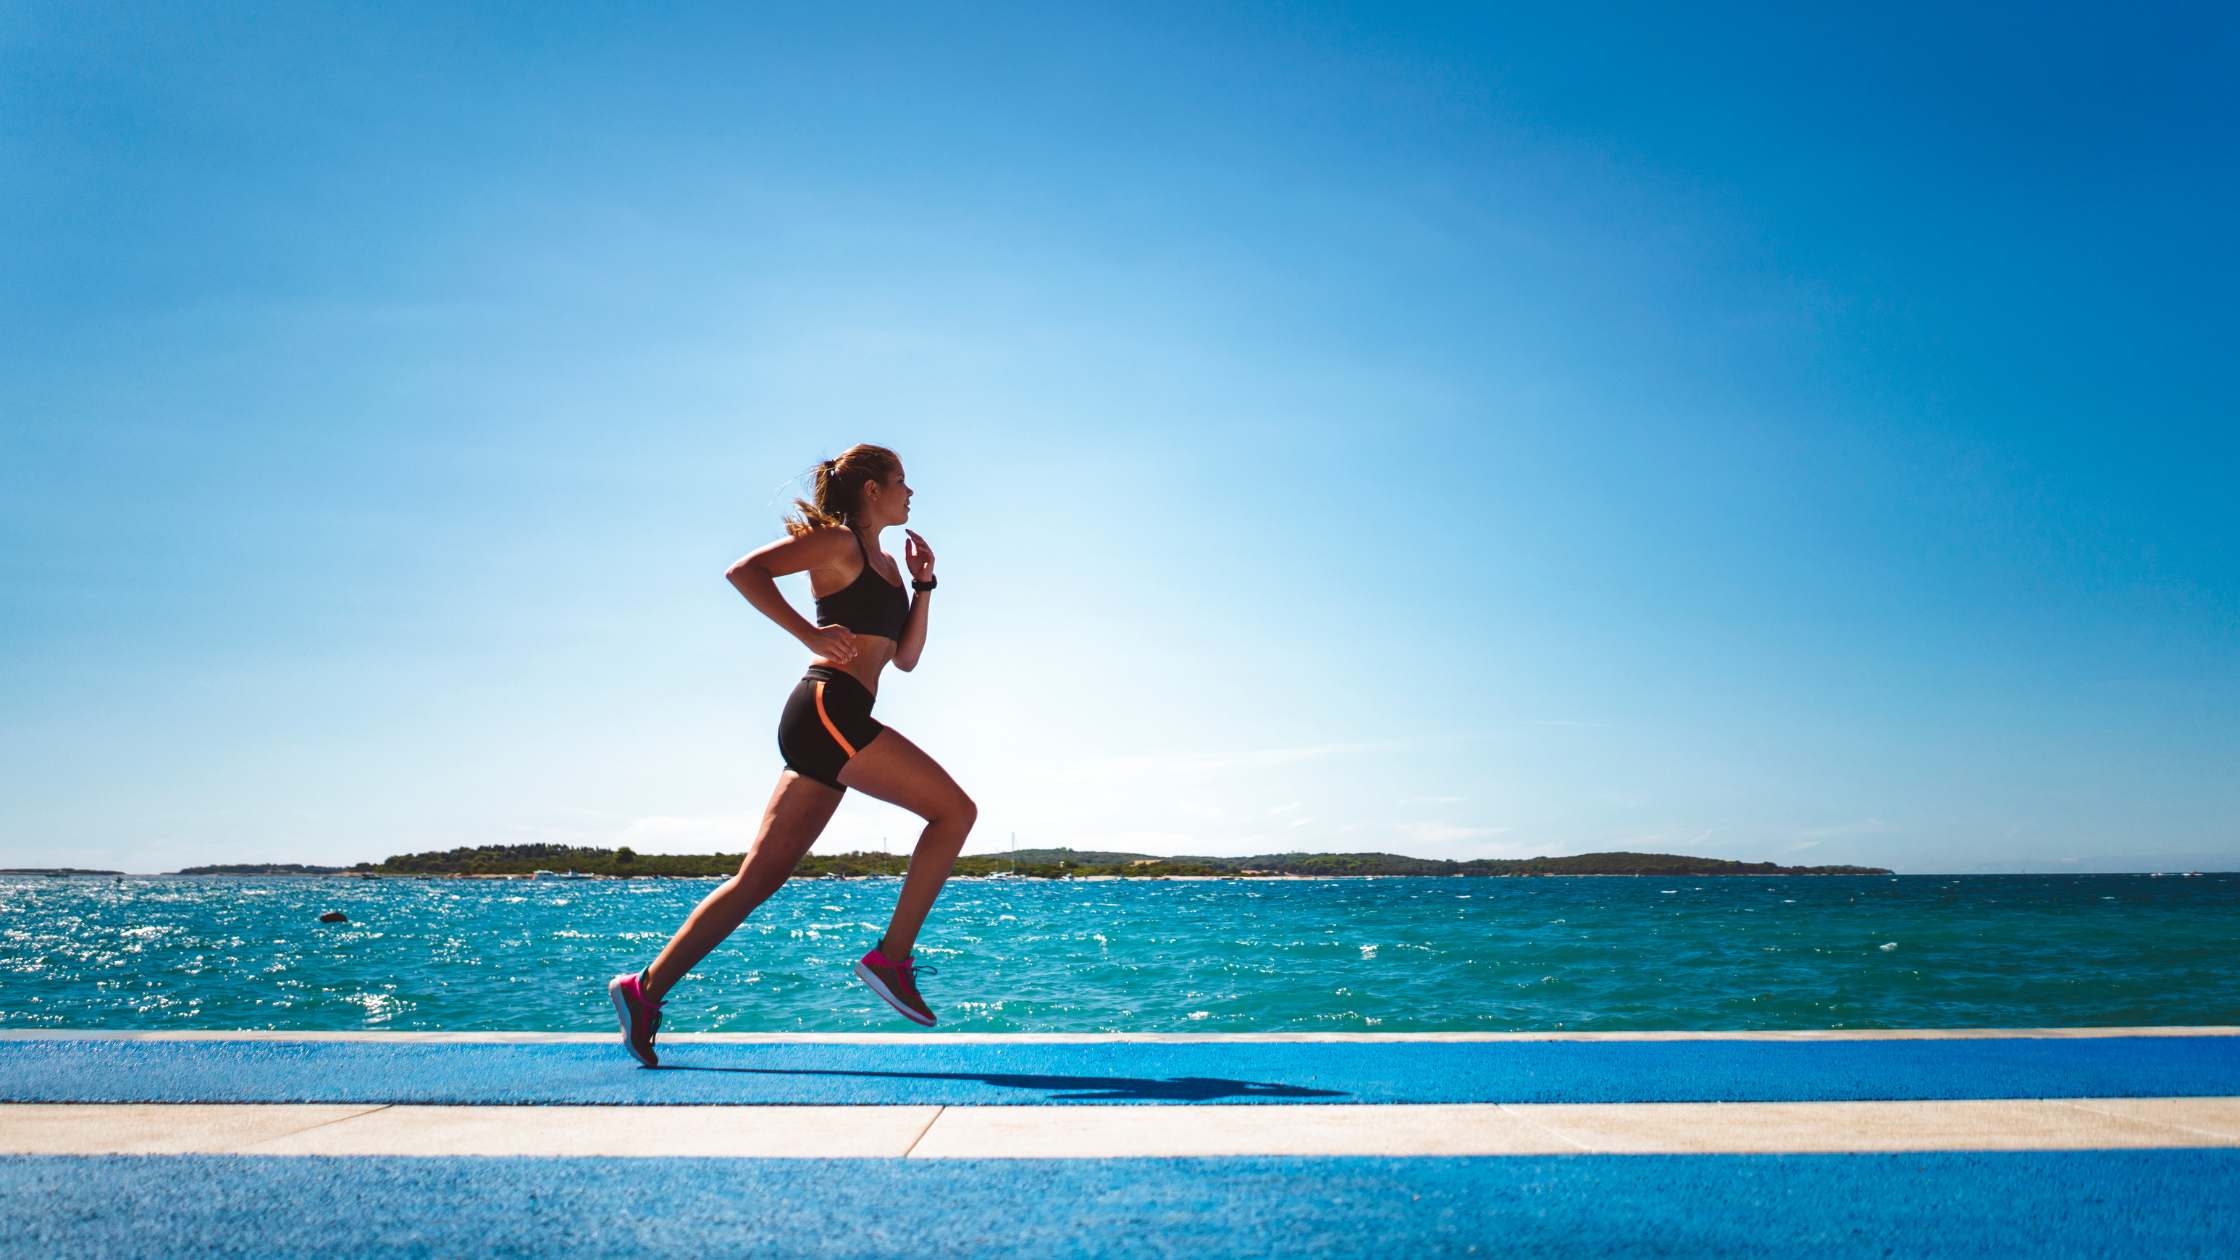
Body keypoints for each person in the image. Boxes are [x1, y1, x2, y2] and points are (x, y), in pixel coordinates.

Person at [607, 444, 975, 1066]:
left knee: (759, 879)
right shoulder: (838, 543)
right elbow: (744, 572)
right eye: (901, 481)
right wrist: (808, 633)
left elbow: (906, 659)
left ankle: (643, 991)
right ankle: (891, 959)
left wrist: (924, 586)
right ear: (871, 490)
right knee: (954, 812)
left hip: (834, 720)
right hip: (829, 709)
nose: (911, 492)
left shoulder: (888, 565)